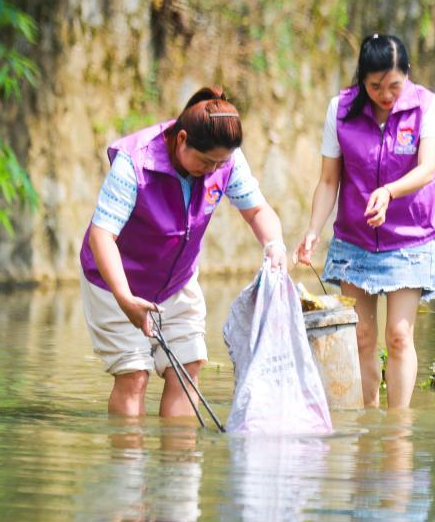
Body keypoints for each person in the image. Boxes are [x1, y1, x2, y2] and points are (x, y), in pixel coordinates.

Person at [80, 86, 287, 417]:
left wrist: (274, 245)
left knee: (187, 371)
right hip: (116, 282)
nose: (213, 169)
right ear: (182, 139)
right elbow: (101, 236)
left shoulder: (225, 162)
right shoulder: (135, 163)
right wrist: (124, 298)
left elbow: (258, 211)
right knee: (134, 376)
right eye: (206, 161)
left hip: (177, 282)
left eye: (220, 163)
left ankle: (180, 466)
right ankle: (127, 465)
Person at [294, 34, 435, 409]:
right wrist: (314, 229)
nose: (386, 94)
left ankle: (397, 431)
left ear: (407, 75)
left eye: (395, 85)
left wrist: (389, 192)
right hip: (356, 239)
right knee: (361, 335)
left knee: (397, 335)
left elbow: (427, 169)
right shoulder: (341, 110)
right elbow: (329, 180)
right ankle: (367, 423)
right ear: (361, 79)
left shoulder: (427, 106)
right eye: (375, 85)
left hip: (410, 237)